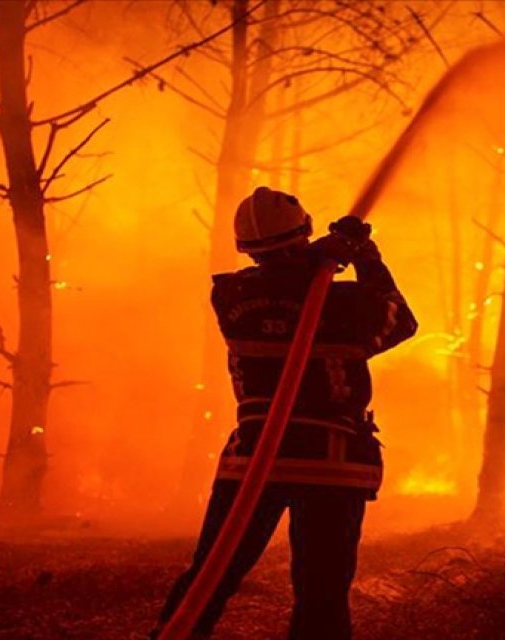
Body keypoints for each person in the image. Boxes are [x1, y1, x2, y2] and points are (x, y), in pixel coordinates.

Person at [155, 187, 416, 639]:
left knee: (210, 576)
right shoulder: (344, 303)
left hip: (252, 461)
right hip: (331, 466)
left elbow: (280, 285)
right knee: (321, 594)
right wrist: (365, 256)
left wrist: (320, 257)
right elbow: (400, 320)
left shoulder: (231, 298)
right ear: (303, 233)